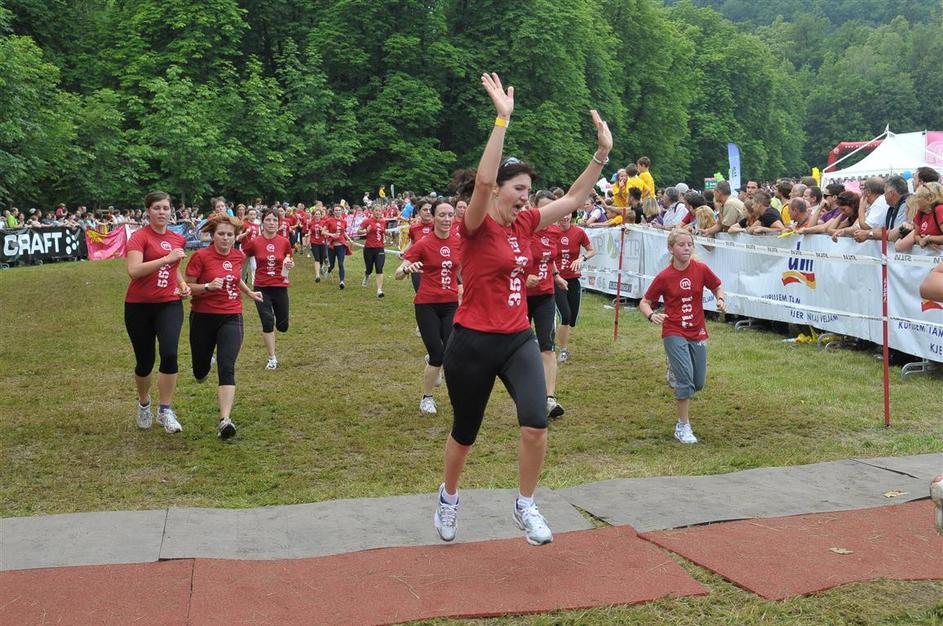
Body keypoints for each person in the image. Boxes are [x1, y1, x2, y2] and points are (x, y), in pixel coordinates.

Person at [432, 72, 612, 547]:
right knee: (465, 433)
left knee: (535, 420)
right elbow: (486, 175)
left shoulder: (526, 224)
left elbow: (574, 198)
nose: (524, 198)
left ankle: (525, 504)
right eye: (518, 189)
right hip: (471, 342)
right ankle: (449, 498)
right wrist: (501, 120)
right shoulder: (473, 225)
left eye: (529, 191)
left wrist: (602, 154)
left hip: (516, 338)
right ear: (496, 192)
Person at [639, 228, 725, 445]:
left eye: (689, 244)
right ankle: (683, 426)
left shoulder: (701, 269)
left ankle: (676, 371)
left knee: (698, 383)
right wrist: (651, 316)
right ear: (671, 248)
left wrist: (720, 299)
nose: (687, 248)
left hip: (697, 330)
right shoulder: (665, 276)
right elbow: (645, 302)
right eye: (681, 245)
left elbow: (717, 285)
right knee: (685, 381)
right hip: (673, 330)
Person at [185, 215, 263, 439]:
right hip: (202, 316)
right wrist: (207, 287)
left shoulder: (238, 256)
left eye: (230, 235)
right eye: (221, 234)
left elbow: (235, 277)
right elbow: (188, 286)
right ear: (212, 236)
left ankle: (225, 420)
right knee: (200, 370)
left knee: (226, 364)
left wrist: (248, 292)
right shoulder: (200, 256)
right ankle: (203, 368)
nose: (226, 238)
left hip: (231, 315)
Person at [124, 191, 190, 433]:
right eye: (157, 208)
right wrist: (165, 259)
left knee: (170, 353)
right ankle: (144, 404)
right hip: (138, 306)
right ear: (148, 211)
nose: (162, 212)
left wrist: (182, 286)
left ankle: (165, 410)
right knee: (145, 361)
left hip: (169, 304)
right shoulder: (139, 238)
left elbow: (175, 270)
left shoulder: (177, 239)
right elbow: (134, 270)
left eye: (166, 208)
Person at [395, 199, 462, 415]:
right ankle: (427, 397)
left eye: (450, 215)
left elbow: (461, 271)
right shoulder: (423, 243)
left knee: (450, 353)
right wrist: (407, 269)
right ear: (433, 217)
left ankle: (457, 398)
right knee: (437, 355)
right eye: (441, 215)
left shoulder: (458, 242)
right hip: (427, 305)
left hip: (451, 303)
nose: (446, 219)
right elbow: (397, 273)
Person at [526, 191, 566, 418]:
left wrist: (557, 275)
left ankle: (549, 398)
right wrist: (524, 278)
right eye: (544, 210)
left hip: (545, 295)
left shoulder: (553, 231)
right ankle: (527, 394)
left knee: (547, 346)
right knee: (519, 348)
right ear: (533, 207)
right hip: (520, 296)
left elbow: (548, 259)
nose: (549, 215)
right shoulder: (521, 229)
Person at [242, 208, 294, 369]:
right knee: (267, 321)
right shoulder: (255, 242)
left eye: (275, 220)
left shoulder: (284, 241)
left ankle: (281, 324)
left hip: (280, 286)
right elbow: (241, 257)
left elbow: (289, 257)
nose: (272, 223)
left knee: (283, 326)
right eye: (268, 220)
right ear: (262, 222)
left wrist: (290, 263)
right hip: (261, 287)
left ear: (278, 224)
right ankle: (272, 358)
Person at [553, 210, 596, 363]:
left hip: (573, 280)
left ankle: (554, 336)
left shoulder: (578, 232)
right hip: (556, 280)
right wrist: (554, 274)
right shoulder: (551, 231)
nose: (565, 216)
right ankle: (563, 350)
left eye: (568, 214)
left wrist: (581, 258)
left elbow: (592, 250)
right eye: (562, 213)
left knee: (572, 318)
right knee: (565, 315)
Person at [895, 182, 943, 252]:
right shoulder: (920, 212)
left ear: (929, 198)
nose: (916, 200)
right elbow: (916, 236)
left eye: (919, 197)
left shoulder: (939, 209)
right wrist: (922, 240)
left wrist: (929, 239)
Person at [358, 204, 387, 298]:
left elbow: (383, 232)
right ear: (372, 211)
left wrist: (388, 234)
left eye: (379, 211)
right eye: (376, 210)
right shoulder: (367, 221)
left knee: (379, 268)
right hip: (369, 248)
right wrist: (366, 230)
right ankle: (367, 276)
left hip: (380, 248)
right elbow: (359, 231)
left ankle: (379, 290)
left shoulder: (383, 221)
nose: (378, 212)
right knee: (369, 268)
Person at [324, 205, 350, 288]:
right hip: (332, 245)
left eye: (339, 210)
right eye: (336, 210)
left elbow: (343, 232)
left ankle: (342, 281)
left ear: (342, 211)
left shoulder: (344, 221)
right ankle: (329, 270)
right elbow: (323, 232)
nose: (338, 211)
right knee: (332, 265)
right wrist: (332, 234)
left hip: (341, 245)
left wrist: (349, 239)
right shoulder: (329, 220)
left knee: (341, 263)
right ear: (333, 211)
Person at [306, 206, 328, 282]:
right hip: (314, 242)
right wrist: (308, 236)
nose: (317, 215)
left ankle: (324, 266)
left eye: (319, 214)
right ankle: (317, 275)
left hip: (322, 242)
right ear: (314, 215)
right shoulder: (311, 222)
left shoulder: (324, 222)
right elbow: (309, 230)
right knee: (317, 259)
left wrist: (323, 230)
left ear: (321, 215)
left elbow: (327, 232)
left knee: (324, 257)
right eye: (316, 214)